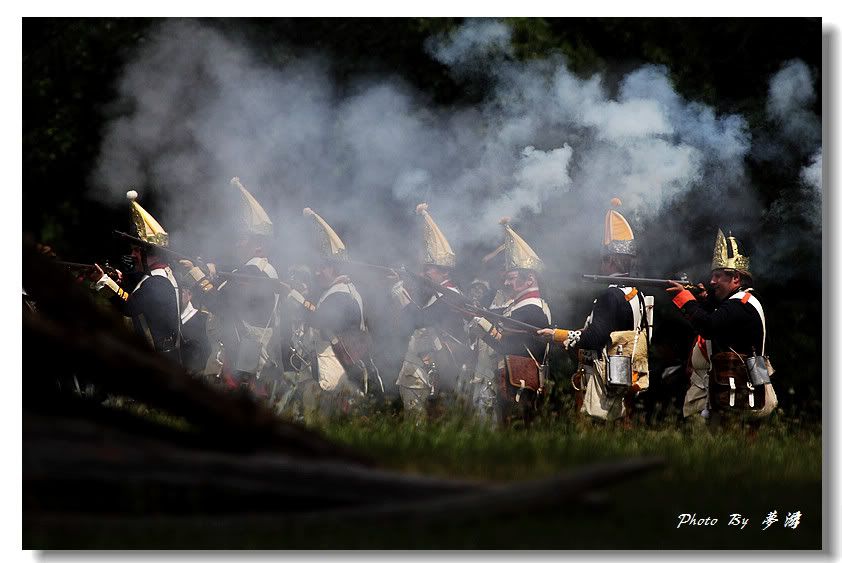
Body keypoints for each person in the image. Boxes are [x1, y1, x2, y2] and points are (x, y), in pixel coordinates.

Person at [538, 199, 653, 422]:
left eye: (604, 260)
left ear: (610, 261)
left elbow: (596, 337)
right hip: (624, 373)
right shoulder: (636, 294)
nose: (601, 265)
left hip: (604, 375)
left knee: (596, 426)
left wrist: (557, 335)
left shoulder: (610, 295)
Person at [180, 177, 281, 396]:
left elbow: (219, 303)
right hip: (244, 356)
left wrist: (196, 275)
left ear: (259, 244)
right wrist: (211, 274)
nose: (238, 243)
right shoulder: (257, 269)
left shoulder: (253, 272)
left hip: (242, 359)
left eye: (243, 238)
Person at [666, 229, 777, 422]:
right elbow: (720, 317)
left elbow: (709, 326)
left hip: (740, 388)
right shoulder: (742, 301)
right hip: (743, 385)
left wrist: (685, 299)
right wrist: (703, 299)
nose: (712, 281)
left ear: (735, 278)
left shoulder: (741, 304)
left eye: (718, 276)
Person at [282, 208, 378, 418]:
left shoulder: (341, 294)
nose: (317, 272)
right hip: (333, 368)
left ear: (334, 267)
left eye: (321, 267)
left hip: (336, 372)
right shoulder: (339, 291)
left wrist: (296, 298)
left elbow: (320, 318)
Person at [470, 218, 552, 423]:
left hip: (519, 383)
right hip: (509, 380)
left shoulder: (531, 308)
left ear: (530, 280)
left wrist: (478, 321)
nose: (506, 282)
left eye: (512, 277)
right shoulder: (520, 305)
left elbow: (504, 343)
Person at [391, 203, 469, 417]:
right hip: (427, 365)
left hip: (442, 368)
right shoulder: (432, 293)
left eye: (429, 269)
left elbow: (418, 319)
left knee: (437, 419)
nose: (424, 273)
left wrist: (399, 293)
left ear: (443, 272)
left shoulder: (452, 295)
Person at [89, 190, 181, 364]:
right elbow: (140, 296)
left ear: (149, 253)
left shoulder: (156, 282)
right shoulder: (160, 276)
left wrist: (103, 281)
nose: (132, 254)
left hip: (160, 360)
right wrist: (121, 280)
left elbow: (130, 307)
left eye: (137, 250)